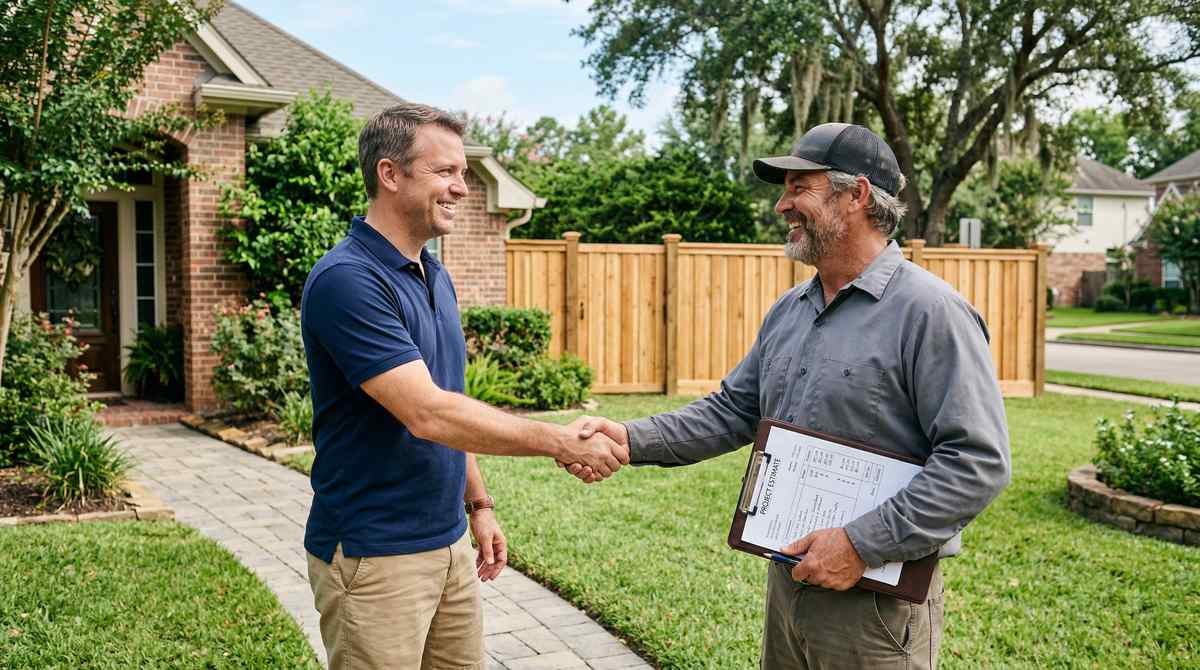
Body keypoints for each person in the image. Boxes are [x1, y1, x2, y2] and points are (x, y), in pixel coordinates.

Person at [571, 123, 1011, 669]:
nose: (782, 205)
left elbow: (977, 462)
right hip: (789, 581)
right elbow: (734, 410)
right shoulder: (790, 309)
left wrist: (858, 545)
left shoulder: (931, 313)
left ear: (857, 195)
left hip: (873, 609)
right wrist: (631, 439)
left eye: (798, 187)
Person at [300, 102, 624, 670]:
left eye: (464, 174)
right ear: (390, 174)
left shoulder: (434, 274)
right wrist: (557, 440)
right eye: (445, 172)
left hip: (446, 542)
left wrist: (478, 505)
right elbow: (427, 414)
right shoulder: (348, 280)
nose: (462, 188)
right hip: (376, 555)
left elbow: (450, 398)